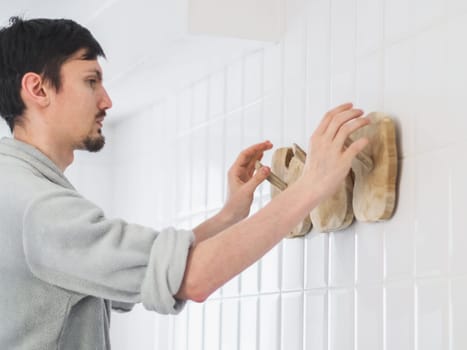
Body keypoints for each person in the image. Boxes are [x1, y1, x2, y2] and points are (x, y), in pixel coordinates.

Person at [0, 16, 369, 350]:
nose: (107, 100)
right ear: (38, 89)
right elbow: (192, 278)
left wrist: (227, 218)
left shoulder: (17, 189)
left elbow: (148, 271)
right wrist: (312, 185)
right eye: (91, 81)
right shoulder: (37, 206)